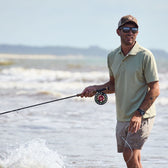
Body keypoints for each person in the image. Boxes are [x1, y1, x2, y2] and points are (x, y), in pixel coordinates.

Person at [80, 15, 160, 168]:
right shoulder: (112, 56)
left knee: (129, 155)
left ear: (137, 32)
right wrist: (94, 89)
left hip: (142, 115)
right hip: (123, 116)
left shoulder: (145, 55)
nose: (130, 32)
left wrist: (139, 114)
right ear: (118, 32)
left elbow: (155, 89)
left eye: (134, 29)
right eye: (126, 29)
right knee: (133, 158)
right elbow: (113, 85)